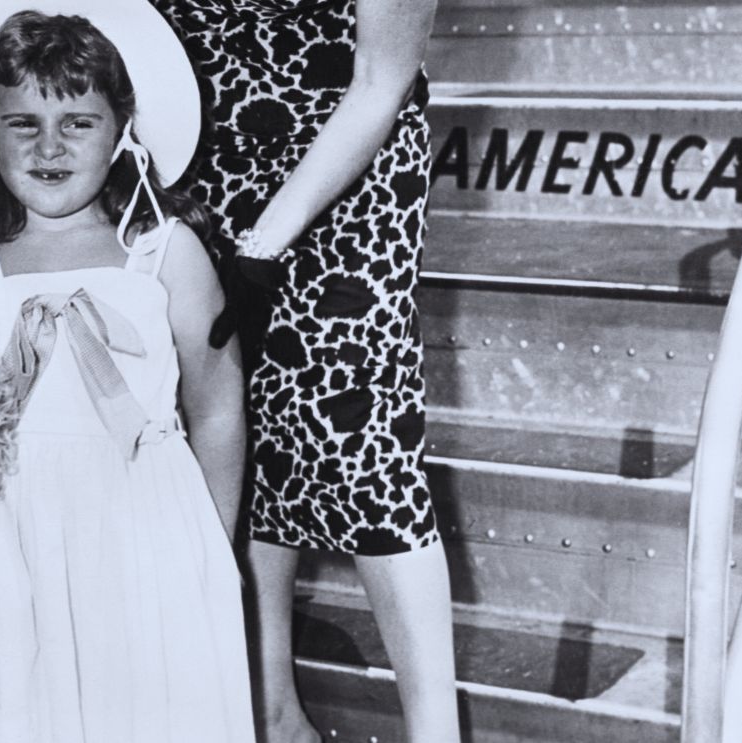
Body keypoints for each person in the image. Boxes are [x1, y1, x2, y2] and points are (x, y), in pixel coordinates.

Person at [0, 2, 255, 741]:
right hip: (4, 535)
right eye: (22, 123)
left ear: (123, 130)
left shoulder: (166, 253)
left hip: (143, 530)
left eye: (77, 123)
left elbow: (218, 405)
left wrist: (207, 545)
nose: (48, 146)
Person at [149, 1, 461, 742]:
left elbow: (380, 81)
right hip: (201, 157)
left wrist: (264, 244)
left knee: (367, 447)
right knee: (244, 433)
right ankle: (273, 709)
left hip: (347, 165)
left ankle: (435, 731)